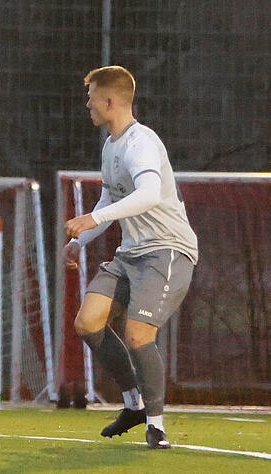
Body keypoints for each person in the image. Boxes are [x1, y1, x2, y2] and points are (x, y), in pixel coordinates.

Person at [64, 66, 198, 449]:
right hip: (131, 254)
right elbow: (111, 197)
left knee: (138, 335)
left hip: (167, 250)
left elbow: (149, 193)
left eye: (91, 96)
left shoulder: (141, 142)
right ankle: (133, 403)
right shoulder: (110, 145)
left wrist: (94, 217)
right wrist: (82, 241)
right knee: (88, 323)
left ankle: (156, 425)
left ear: (109, 101)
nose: (86, 103)